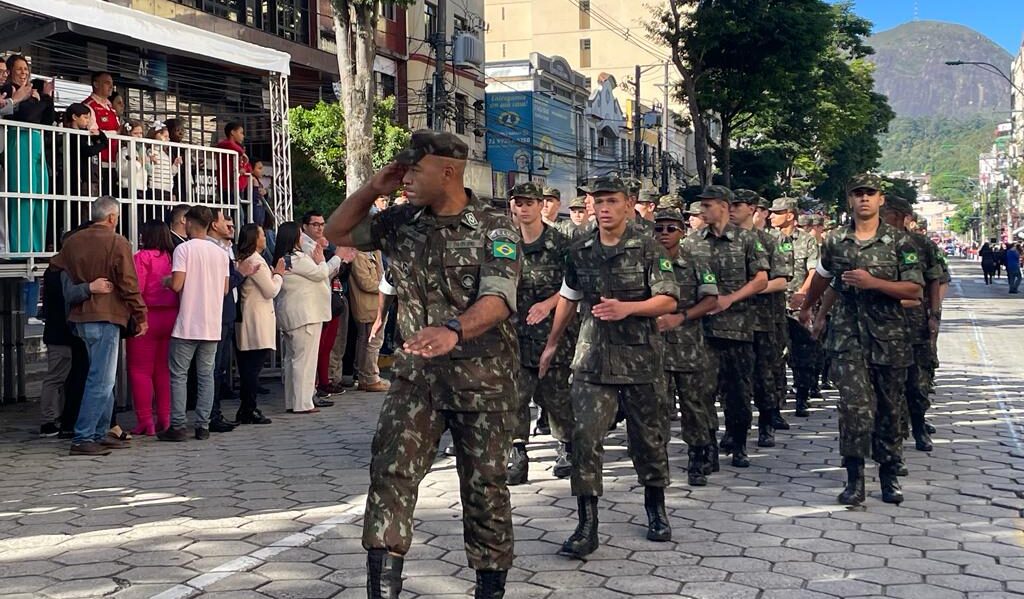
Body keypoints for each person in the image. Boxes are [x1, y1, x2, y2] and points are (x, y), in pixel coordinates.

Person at [324, 130, 521, 598]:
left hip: (483, 380)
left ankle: (490, 588)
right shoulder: (401, 220)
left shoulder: (495, 224)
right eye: (403, 169)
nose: (406, 178)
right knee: (390, 473)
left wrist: (453, 330)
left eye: (416, 169)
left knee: (485, 489)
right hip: (417, 380)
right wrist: (374, 187)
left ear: (448, 171)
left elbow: (498, 298)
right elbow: (336, 232)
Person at [538, 175, 679, 557]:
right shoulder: (581, 247)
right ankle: (586, 525)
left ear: (629, 203)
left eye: (611, 201)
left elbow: (667, 300)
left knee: (648, 439)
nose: (603, 208)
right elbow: (569, 296)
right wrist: (552, 345)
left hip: (640, 360)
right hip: (592, 358)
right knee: (584, 438)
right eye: (597, 201)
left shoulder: (649, 246)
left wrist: (628, 309)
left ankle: (656, 510)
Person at [800, 174, 924, 506]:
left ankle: (888, 473)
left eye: (870, 193)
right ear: (850, 201)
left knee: (889, 407)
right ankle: (854, 478)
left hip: (889, 337)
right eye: (858, 194)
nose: (864, 198)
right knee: (855, 406)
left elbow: (914, 289)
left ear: (881, 199)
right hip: (848, 335)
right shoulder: (836, 241)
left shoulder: (900, 242)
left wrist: (873, 283)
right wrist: (810, 308)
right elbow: (823, 277)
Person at [51, 197, 148, 455]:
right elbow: (128, 281)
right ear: (113, 218)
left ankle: (99, 431)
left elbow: (56, 266)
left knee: (100, 375)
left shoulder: (72, 242)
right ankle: (84, 436)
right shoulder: (117, 242)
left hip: (81, 316)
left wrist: (84, 285)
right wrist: (140, 314)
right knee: (101, 380)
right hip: (107, 314)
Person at [690, 186, 769, 468]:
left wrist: (730, 299)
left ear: (723, 206)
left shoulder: (747, 240)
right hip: (702, 331)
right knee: (701, 393)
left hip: (738, 329)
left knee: (738, 393)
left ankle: (738, 443)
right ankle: (706, 447)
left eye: (708, 205)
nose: (702, 211)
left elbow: (760, 279)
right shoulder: (692, 242)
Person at [506, 182, 575, 485]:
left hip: (553, 333)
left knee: (555, 395)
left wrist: (549, 304)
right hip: (516, 333)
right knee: (515, 396)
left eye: (530, 203)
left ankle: (566, 448)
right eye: (518, 203)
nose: (524, 208)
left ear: (540, 206)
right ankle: (517, 454)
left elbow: (575, 287)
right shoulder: (505, 243)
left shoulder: (561, 243)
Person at [654, 205, 719, 486]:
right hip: (653, 349)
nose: (664, 234)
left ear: (682, 231)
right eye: (658, 228)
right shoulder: (646, 261)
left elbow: (711, 299)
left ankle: (698, 457)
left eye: (671, 228)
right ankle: (657, 463)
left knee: (694, 406)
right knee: (655, 408)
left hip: (688, 346)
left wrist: (681, 316)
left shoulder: (695, 262)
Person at [880, 196, 948, 456]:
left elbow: (935, 280)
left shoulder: (921, 244)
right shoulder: (870, 243)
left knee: (917, 381)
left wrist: (934, 315)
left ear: (900, 216)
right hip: (883, 324)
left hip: (915, 322)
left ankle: (919, 425)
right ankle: (893, 436)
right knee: (888, 384)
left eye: (887, 213)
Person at [160, 206, 229, 442]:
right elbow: (225, 288)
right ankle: (203, 425)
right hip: (212, 323)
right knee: (206, 375)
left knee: (179, 374)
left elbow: (178, 284)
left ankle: (178, 425)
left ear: (189, 223)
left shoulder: (183, 249)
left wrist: (166, 281)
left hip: (188, 322)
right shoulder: (220, 253)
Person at [731, 189, 791, 448]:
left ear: (752, 208)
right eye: (729, 204)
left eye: (738, 204)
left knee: (764, 376)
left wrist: (749, 288)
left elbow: (781, 280)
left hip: (763, 320)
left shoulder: (769, 241)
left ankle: (767, 422)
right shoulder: (724, 241)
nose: (732, 209)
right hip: (731, 321)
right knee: (733, 380)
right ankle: (735, 430)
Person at [273, 221, 331, 414]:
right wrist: (323, 259)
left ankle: (293, 401)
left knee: (292, 360)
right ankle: (303, 403)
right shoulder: (297, 258)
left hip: (291, 315)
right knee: (305, 361)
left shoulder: (284, 258)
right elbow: (320, 273)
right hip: (305, 315)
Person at [769, 198, 819, 418]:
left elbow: (813, 271)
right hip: (774, 303)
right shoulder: (768, 240)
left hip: (798, 302)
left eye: (777, 212)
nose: (772, 216)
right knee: (774, 353)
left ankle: (802, 396)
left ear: (790, 215)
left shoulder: (807, 241)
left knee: (802, 352)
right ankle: (776, 401)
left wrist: (802, 294)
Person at [128, 221, 179, 435]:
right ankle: (165, 418)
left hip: (147, 316)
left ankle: (145, 420)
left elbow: (136, 288)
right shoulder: (173, 257)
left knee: (140, 370)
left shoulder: (142, 257)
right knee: (163, 370)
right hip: (171, 315)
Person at [1, 55, 55, 253]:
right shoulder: (9, 90)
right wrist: (38, 100)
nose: (23, 72)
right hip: (20, 139)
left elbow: (47, 120)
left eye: (26, 69)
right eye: (19, 68)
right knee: (24, 195)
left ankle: (37, 247)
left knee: (41, 194)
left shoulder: (32, 92)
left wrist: (47, 98)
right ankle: (21, 248)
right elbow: (26, 116)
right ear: (10, 71)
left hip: (37, 141)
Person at [235, 223, 285, 424]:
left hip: (249, 317)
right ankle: (248, 408)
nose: (265, 238)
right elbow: (270, 290)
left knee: (249, 366)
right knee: (252, 368)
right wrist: (279, 274)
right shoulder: (257, 261)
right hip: (256, 318)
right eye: (262, 235)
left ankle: (247, 407)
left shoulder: (247, 259)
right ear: (255, 239)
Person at [300, 210, 350, 400]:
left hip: (329, 297)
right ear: (305, 227)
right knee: (315, 348)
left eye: (322, 224)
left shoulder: (320, 244)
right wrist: (337, 257)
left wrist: (341, 260)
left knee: (327, 345)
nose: (320, 228)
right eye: (315, 224)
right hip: (314, 301)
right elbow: (321, 273)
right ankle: (312, 390)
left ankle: (321, 383)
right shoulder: (306, 246)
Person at [349, 246, 389, 392]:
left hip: (378, 305)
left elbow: (382, 274)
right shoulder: (358, 255)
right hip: (367, 307)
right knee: (371, 343)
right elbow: (364, 282)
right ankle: (370, 378)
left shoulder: (376, 252)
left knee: (368, 342)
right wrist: (388, 287)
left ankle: (365, 377)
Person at [82, 72, 120, 195]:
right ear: (95, 84)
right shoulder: (89, 105)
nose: (111, 87)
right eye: (107, 83)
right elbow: (93, 131)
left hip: (115, 162)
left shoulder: (110, 107)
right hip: (99, 163)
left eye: (112, 84)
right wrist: (117, 132)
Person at [61, 103, 109, 198]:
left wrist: (100, 134)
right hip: (76, 177)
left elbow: (99, 138)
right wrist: (104, 144)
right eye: (85, 117)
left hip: (85, 177)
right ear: (74, 117)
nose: (88, 121)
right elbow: (87, 151)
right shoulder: (72, 134)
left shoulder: (84, 133)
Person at [216, 121, 252, 202]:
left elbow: (249, 166)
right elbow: (226, 144)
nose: (243, 136)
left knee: (240, 212)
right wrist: (242, 153)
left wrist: (244, 169)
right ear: (232, 132)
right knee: (238, 213)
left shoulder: (238, 148)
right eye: (241, 133)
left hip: (239, 186)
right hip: (227, 185)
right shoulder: (225, 145)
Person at [147, 122, 181, 201]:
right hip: (156, 188)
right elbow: (149, 169)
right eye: (165, 136)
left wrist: (175, 165)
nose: (168, 139)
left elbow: (171, 173)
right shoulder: (151, 151)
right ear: (157, 136)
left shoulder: (166, 154)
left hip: (167, 188)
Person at [118, 119, 150, 200]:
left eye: (141, 133)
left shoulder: (140, 151)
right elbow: (123, 171)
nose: (139, 136)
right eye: (135, 133)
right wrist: (139, 163)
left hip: (141, 188)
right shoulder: (124, 151)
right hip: (128, 187)